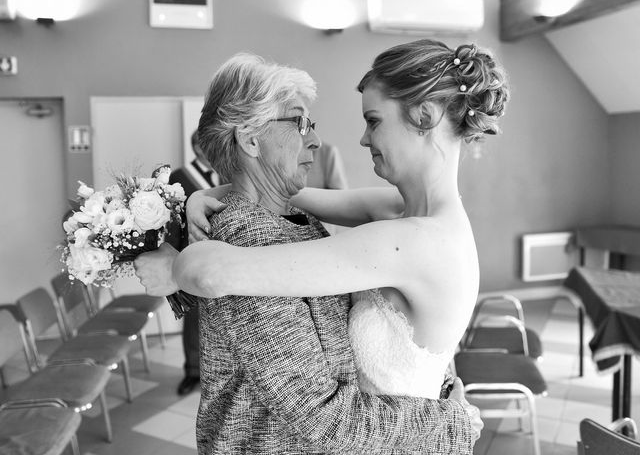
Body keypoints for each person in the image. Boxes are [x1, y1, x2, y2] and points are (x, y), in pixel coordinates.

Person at [135, 50, 483, 454]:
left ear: (424, 117)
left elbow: (211, 270)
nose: (322, 139)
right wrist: (202, 199)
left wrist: (176, 268)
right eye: (301, 122)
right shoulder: (395, 213)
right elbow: (290, 196)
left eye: (373, 121)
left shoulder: (408, 236)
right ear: (250, 139)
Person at [167, 130, 221, 396]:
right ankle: (192, 371)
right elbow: (174, 222)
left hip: (221, 257)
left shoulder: (226, 173)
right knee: (193, 317)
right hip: (190, 257)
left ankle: (217, 370)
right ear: (198, 148)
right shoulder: (178, 178)